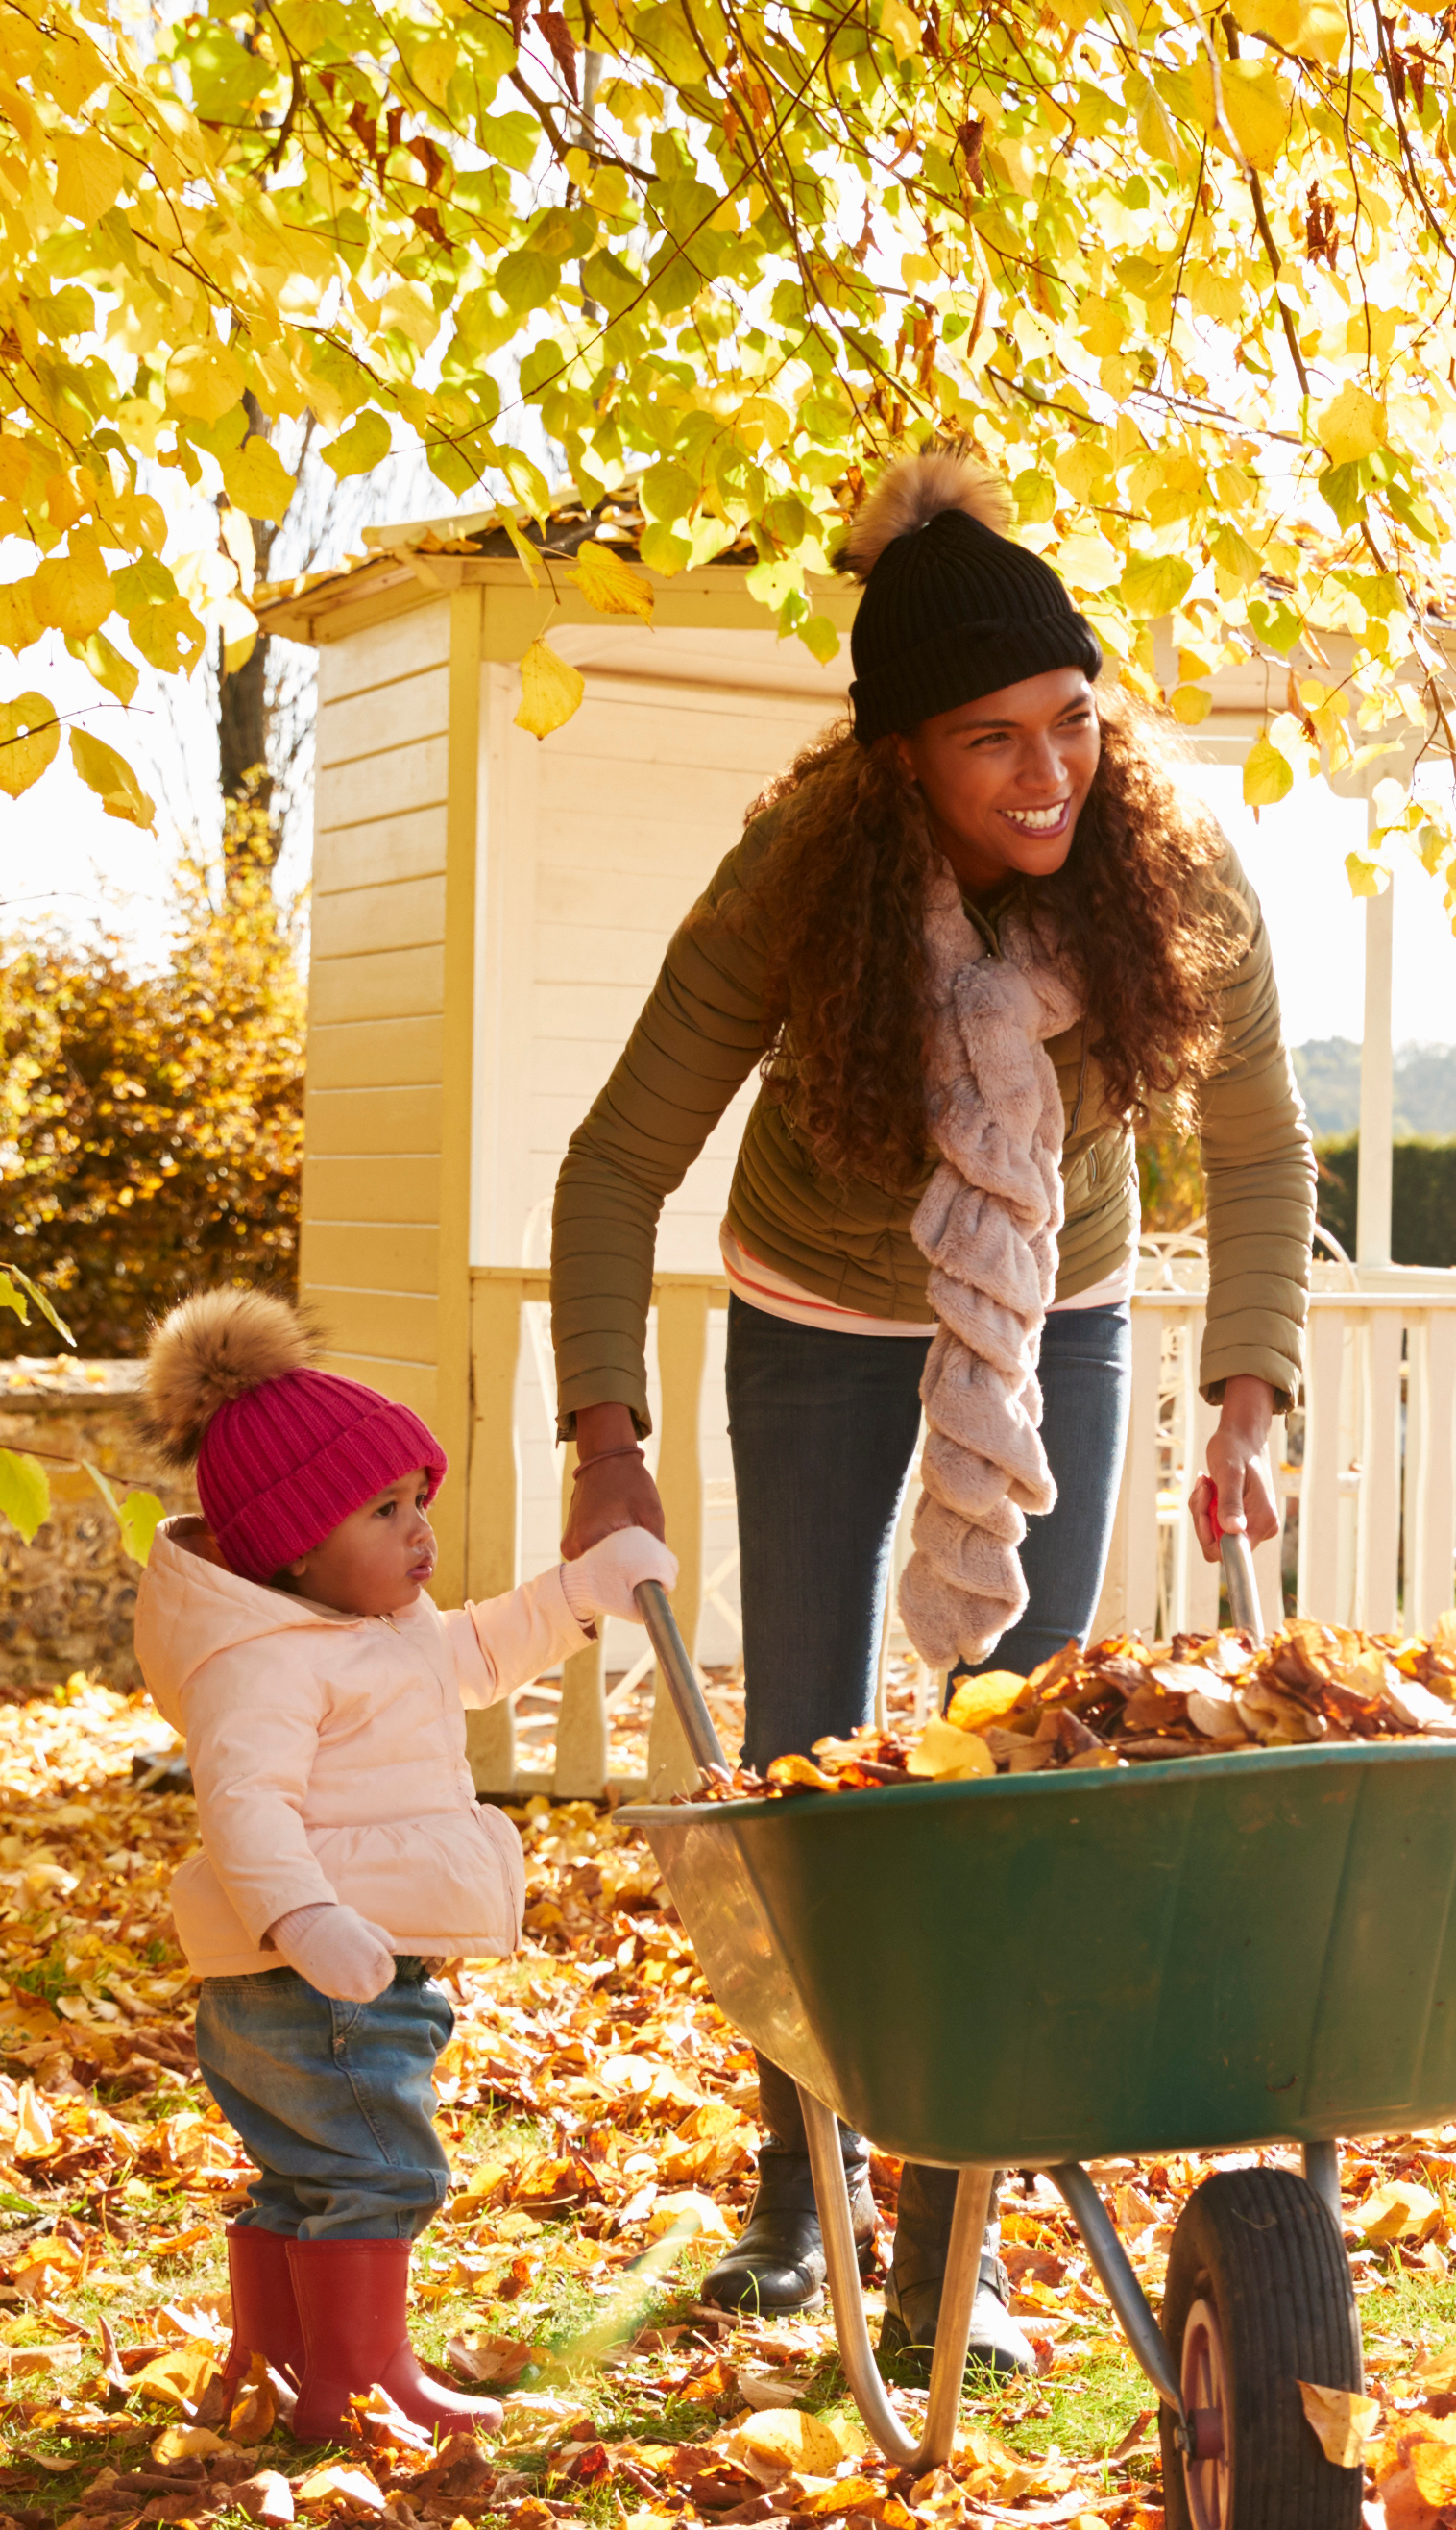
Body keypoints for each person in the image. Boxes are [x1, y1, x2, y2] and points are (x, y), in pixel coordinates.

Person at [549, 455, 1315, 2376]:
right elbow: (609, 1165)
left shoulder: (1170, 870)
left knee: (1018, 1758)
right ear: (900, 759)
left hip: (1050, 1304)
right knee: (808, 1749)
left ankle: (951, 2219)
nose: (1048, 773)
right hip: (818, 1307)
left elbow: (1255, 1143)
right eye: (993, 744)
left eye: (1072, 721)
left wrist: (1246, 1398)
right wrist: (604, 1434)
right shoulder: (795, 888)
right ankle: (802, 2186)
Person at [135, 1289, 681, 2446]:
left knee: (311, 2178)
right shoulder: (265, 1666)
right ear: (291, 1546)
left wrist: (580, 1592)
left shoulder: (373, 1627)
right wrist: (303, 1918)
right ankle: (364, 2379)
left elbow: (477, 1652)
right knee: (383, 2174)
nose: (421, 1531)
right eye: (384, 1511)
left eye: (418, 1499)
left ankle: (284, 2365)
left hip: (342, 1968)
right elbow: (244, 1806)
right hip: (317, 1979)